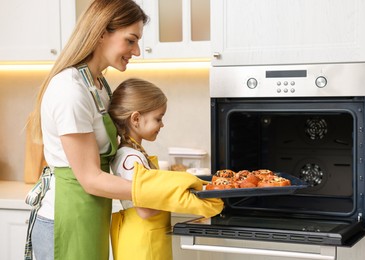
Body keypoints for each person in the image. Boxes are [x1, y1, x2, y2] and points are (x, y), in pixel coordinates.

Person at [24, 0, 224, 259]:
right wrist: (170, 190)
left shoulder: (99, 85)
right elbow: (91, 178)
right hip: (65, 218)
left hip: (91, 215)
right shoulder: (70, 90)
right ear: (101, 33)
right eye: (130, 41)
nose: (137, 51)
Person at [108, 78, 172, 259]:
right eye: (158, 118)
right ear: (136, 119)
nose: (162, 124)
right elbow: (145, 209)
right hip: (143, 245)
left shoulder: (133, 153)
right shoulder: (131, 158)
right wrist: (178, 193)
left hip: (146, 239)